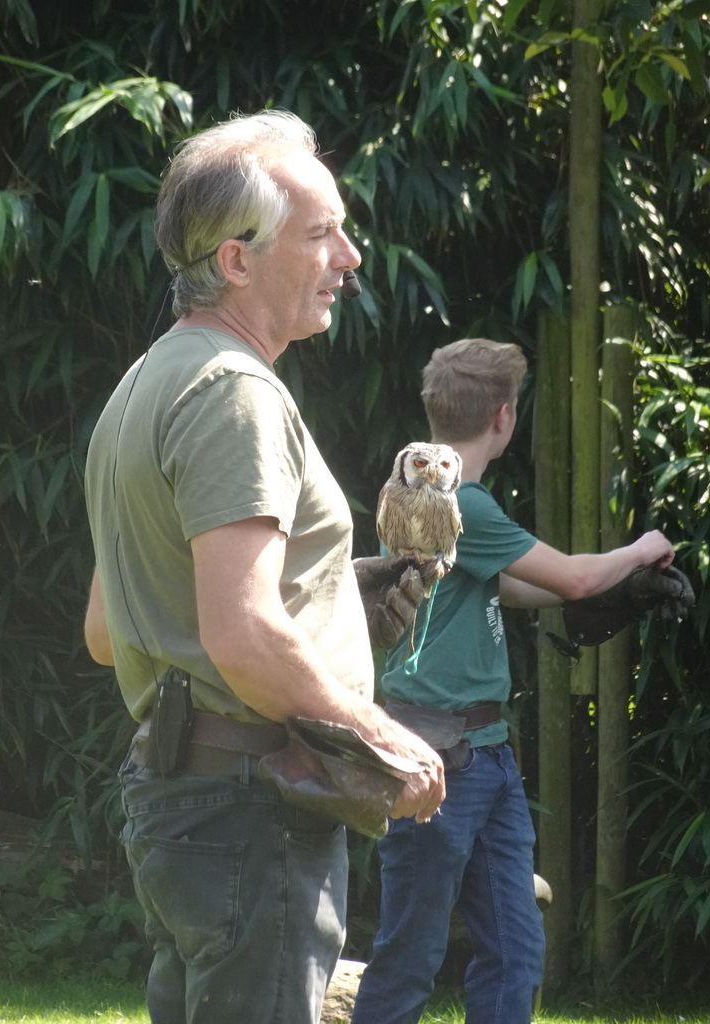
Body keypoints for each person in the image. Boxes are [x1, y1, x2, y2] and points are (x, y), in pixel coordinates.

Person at [82, 110, 445, 1024]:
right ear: (237, 261)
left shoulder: (144, 386)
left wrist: (326, 600)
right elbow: (239, 634)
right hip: (252, 812)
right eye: (322, 233)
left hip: (178, 806)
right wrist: (384, 737)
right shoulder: (237, 393)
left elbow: (106, 628)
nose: (351, 257)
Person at [351, 336, 682, 1024]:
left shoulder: (421, 493)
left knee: (514, 952)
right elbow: (575, 576)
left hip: (488, 756)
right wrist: (641, 551)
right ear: (504, 416)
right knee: (409, 956)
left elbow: (509, 586)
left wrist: (615, 590)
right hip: (436, 762)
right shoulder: (463, 502)